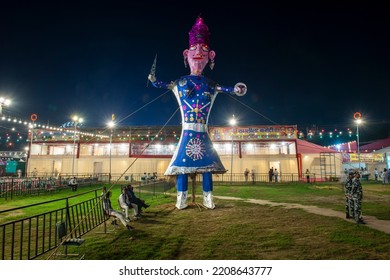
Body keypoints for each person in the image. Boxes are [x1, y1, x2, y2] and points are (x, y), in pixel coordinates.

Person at [148, 16, 247, 209]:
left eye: (204, 48)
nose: (199, 52)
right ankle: (181, 199)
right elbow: (162, 84)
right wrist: (153, 79)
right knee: (183, 168)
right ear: (186, 53)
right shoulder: (180, 83)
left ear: (211, 56)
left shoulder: (211, 85)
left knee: (207, 168)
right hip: (187, 132)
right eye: (194, 48)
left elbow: (228, 89)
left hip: (202, 132)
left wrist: (236, 89)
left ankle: (208, 198)